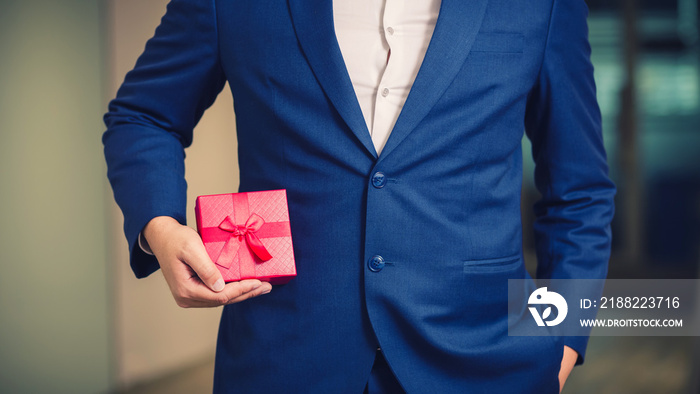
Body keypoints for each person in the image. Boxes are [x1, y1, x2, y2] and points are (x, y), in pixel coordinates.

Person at [103, 0, 615, 392]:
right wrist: (160, 226)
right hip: (285, 357)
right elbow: (143, 116)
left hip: (484, 358)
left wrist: (563, 341)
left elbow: (581, 191)